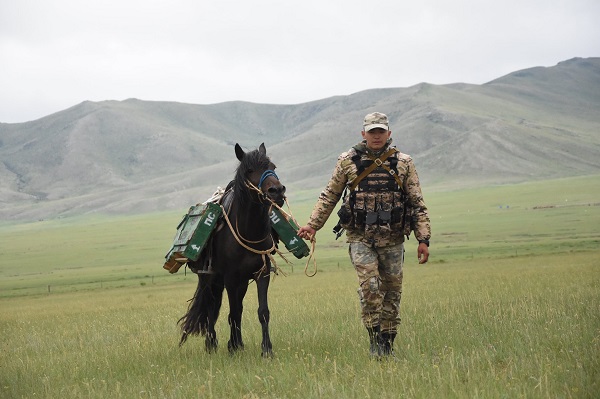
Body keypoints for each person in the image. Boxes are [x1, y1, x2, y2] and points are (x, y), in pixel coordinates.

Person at [297, 111, 431, 358]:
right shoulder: (347, 161)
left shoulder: (404, 162)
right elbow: (330, 195)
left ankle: (387, 344)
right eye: (372, 132)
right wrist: (313, 225)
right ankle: (374, 339)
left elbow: (417, 201)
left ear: (389, 134)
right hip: (360, 237)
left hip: (393, 239)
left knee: (392, 292)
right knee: (370, 288)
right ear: (363, 134)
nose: (376, 136)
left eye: (381, 131)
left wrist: (423, 239)